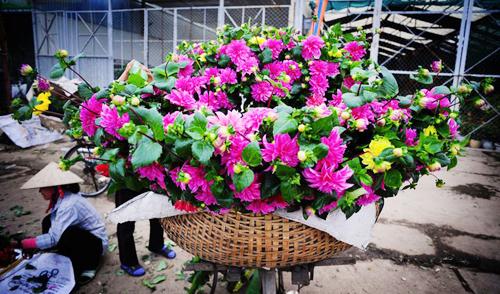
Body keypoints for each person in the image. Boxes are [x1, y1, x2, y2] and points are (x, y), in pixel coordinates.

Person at [19, 162, 108, 285]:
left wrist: (25, 243)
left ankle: (91, 264)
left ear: (57, 187)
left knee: (70, 234)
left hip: (95, 244)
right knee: (48, 220)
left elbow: (54, 238)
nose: (40, 191)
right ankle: (60, 253)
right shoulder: (61, 199)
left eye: (43, 187)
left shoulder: (69, 205)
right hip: (84, 238)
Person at [115, 188, 176, 276]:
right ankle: (128, 261)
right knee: (126, 220)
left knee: (157, 213)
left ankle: (157, 245)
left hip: (149, 180)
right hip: (126, 181)